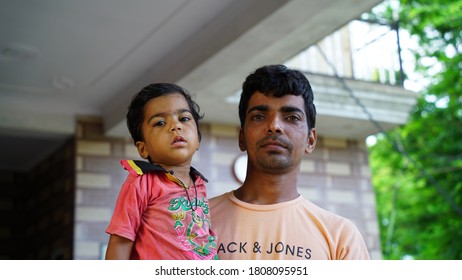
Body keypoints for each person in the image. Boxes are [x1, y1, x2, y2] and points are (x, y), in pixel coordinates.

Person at [209, 65, 370, 260]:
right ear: (242, 137)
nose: (274, 127)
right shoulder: (196, 222)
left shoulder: (340, 237)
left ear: (310, 141)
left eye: (292, 117)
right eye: (259, 117)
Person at [105, 83, 218, 260]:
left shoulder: (199, 183)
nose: (175, 126)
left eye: (184, 118)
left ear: (197, 139)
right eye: (160, 123)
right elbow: (120, 240)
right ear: (143, 149)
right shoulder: (142, 181)